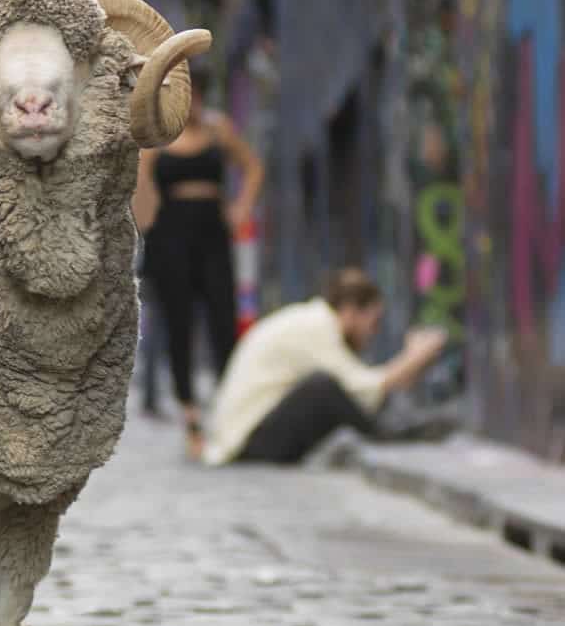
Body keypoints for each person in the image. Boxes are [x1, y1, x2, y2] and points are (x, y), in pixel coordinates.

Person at [132, 61, 264, 458]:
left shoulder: (218, 129)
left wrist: (242, 207)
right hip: (171, 237)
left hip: (213, 234)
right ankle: (190, 417)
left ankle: (231, 411)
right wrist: (142, 232)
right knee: (179, 326)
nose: (191, 104)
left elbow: (253, 168)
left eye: (197, 94)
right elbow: (140, 195)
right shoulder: (157, 139)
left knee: (224, 319)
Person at [203, 268, 450, 467]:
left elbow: (369, 390)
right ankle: (386, 436)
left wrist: (412, 364)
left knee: (336, 391)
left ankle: (392, 429)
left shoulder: (314, 321)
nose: (372, 334)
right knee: (324, 387)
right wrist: (414, 358)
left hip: (249, 434)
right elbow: (366, 387)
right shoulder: (318, 327)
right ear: (351, 311)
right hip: (245, 441)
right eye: (373, 323)